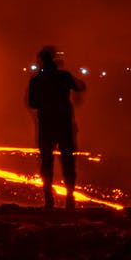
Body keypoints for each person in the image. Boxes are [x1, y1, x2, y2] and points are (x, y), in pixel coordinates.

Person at [28, 46, 86, 209]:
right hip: (64, 124)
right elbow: (79, 86)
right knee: (68, 161)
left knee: (47, 163)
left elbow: (32, 103)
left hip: (46, 124)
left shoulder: (37, 80)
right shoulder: (63, 76)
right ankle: (69, 199)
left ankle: (49, 201)